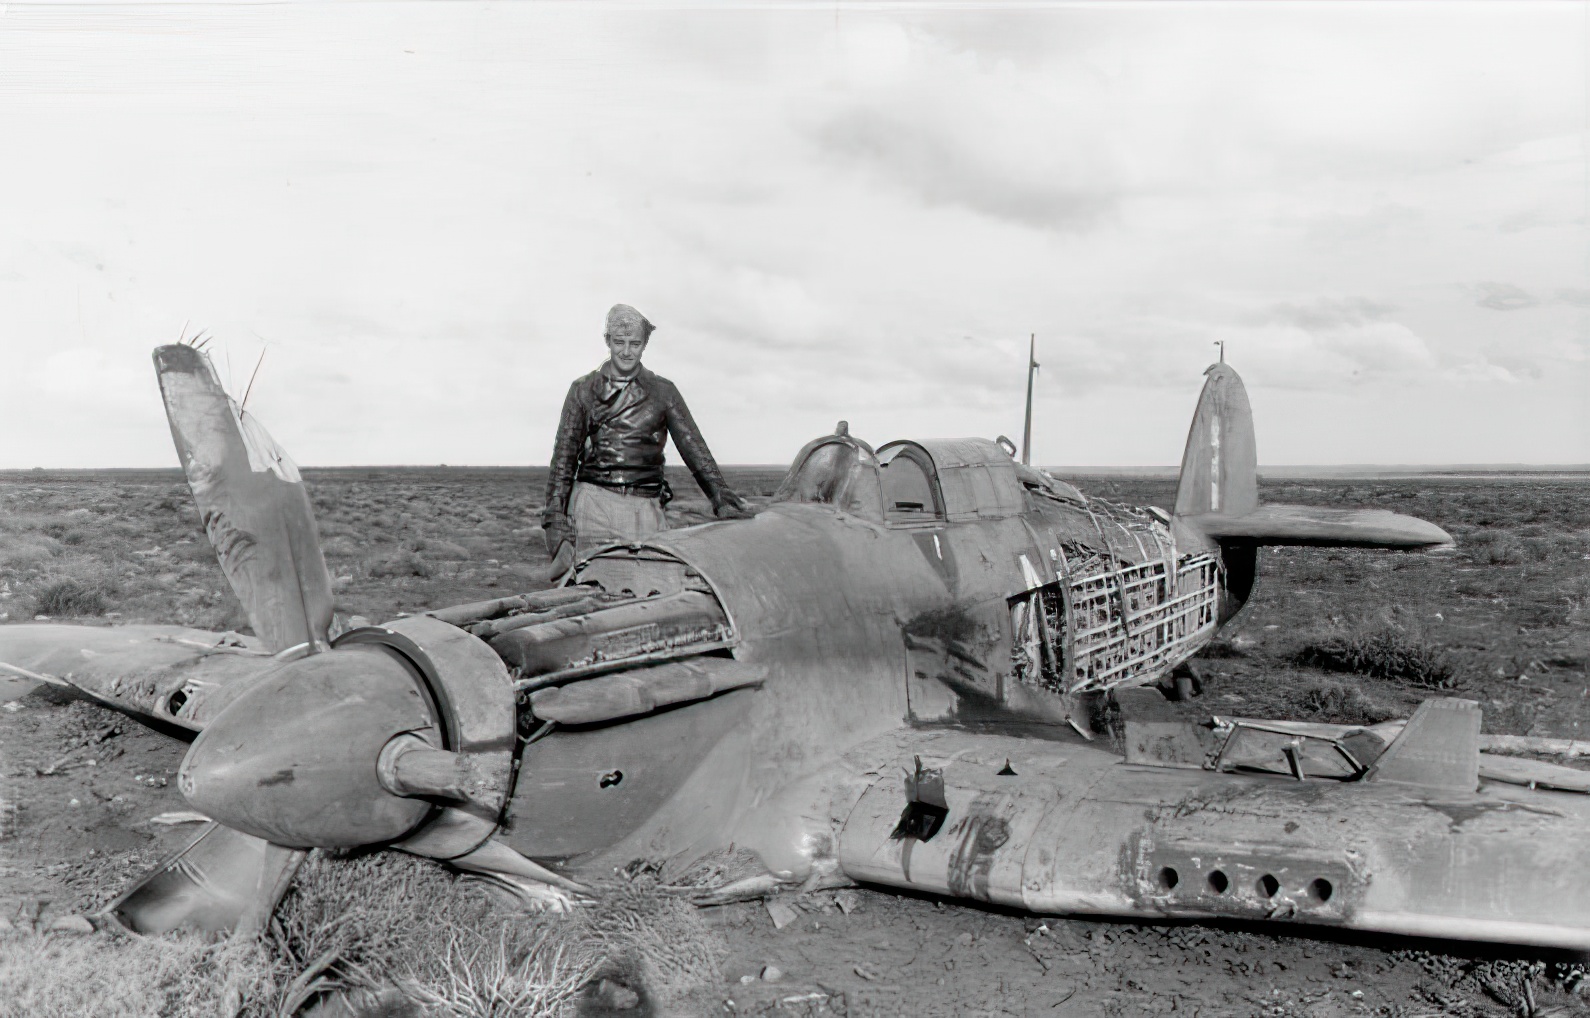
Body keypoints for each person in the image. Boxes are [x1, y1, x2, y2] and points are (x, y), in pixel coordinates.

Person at [541, 304, 752, 575]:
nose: (627, 351)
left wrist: (720, 496)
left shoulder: (663, 392)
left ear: (645, 345)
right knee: (593, 592)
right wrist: (555, 518)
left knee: (654, 592)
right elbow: (564, 459)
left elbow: (693, 446)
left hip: (646, 509)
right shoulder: (583, 390)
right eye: (619, 342)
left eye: (635, 343)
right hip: (594, 508)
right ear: (607, 341)